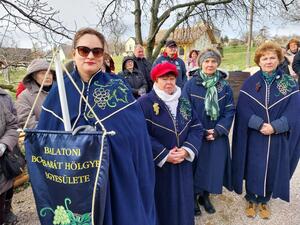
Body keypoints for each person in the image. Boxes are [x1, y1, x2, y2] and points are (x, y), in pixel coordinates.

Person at [37, 27, 156, 225]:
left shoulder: (117, 85)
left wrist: (107, 142)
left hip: (116, 174)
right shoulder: (60, 91)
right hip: (76, 180)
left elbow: (136, 134)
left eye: (97, 51)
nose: (90, 55)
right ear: (74, 53)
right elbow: (46, 142)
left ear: (103, 56)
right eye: (84, 50)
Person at [232, 42, 300, 219]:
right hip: (256, 134)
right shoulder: (250, 83)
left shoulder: (289, 83)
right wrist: (259, 124)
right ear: (259, 61)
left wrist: (276, 127)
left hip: (277, 135)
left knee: (272, 167)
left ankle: (264, 200)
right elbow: (243, 109)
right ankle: (250, 198)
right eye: (264, 58)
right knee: (253, 165)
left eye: (272, 58)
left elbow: (294, 110)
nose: (268, 61)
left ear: (279, 60)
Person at [138, 62, 203, 225]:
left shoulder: (184, 101)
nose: (169, 82)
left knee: (184, 203)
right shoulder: (144, 103)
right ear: (155, 80)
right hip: (160, 168)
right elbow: (140, 135)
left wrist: (187, 150)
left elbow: (196, 127)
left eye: (172, 78)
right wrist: (164, 154)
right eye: (164, 78)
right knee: (163, 205)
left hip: (183, 163)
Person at [182, 49, 235, 216]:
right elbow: (185, 109)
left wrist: (218, 130)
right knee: (194, 165)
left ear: (217, 63)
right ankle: (192, 196)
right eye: (206, 61)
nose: (210, 64)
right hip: (196, 133)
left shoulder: (224, 86)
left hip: (216, 133)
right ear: (200, 64)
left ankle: (205, 196)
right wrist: (200, 130)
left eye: (213, 61)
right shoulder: (191, 84)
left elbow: (229, 110)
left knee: (212, 165)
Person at [16, 59, 56, 129]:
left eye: (49, 73)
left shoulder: (62, 92)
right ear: (34, 76)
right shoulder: (24, 97)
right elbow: (27, 122)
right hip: (42, 137)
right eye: (43, 73)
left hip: (68, 136)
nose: (47, 76)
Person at [0, 88, 19, 225]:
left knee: (7, 185)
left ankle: (6, 210)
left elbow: (13, 123)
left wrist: (4, 144)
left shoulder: (4, 98)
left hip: (4, 155)